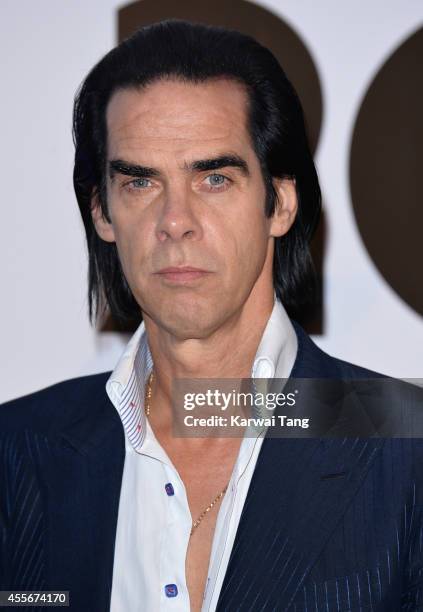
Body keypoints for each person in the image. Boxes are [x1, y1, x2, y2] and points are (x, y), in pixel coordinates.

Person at [1, 19, 422, 612]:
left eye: (215, 178)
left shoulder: (408, 449)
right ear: (102, 213)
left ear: (280, 203)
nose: (176, 220)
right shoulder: (14, 450)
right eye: (141, 182)